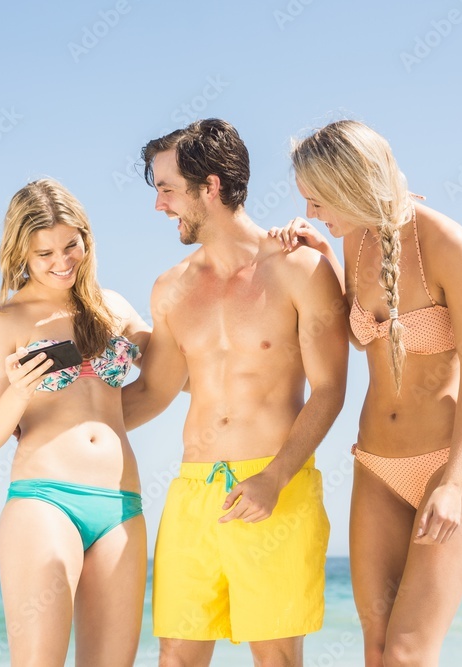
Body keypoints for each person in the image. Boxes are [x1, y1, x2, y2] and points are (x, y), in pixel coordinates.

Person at [122, 118, 348, 667]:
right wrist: (68, 422)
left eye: (167, 189)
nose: (160, 206)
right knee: (175, 654)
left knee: (275, 656)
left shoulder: (300, 268)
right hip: (193, 490)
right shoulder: (170, 287)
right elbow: (154, 390)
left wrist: (274, 476)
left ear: (212, 186)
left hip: (277, 482)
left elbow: (329, 390)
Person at [277, 119, 462, 667]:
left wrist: (452, 482)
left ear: (351, 184)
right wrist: (324, 257)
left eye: (319, 201)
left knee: (406, 653)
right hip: (375, 465)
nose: (312, 214)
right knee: (375, 649)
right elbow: (359, 335)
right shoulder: (355, 241)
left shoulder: (447, 241)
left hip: (449, 465)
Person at [0, 178, 150, 666]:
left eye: (72, 245)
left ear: (86, 237)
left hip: (121, 505)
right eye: (44, 252)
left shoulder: (114, 309)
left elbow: (174, 373)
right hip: (45, 501)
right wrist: (21, 388)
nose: (62, 261)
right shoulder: (2, 322)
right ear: (21, 253)